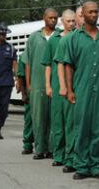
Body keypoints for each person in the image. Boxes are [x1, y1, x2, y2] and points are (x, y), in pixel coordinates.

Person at [64, 1, 99, 180]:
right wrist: (70, 90)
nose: (94, 15)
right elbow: (68, 65)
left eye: (96, 12)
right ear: (83, 15)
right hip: (82, 88)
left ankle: (96, 166)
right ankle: (82, 166)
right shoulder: (74, 37)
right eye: (90, 12)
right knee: (82, 127)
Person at [23, 8, 58, 159]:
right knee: (38, 118)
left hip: (55, 83)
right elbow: (27, 63)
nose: (53, 20)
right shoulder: (34, 37)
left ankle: (51, 148)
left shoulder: (60, 36)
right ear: (44, 18)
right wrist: (29, 84)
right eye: (50, 18)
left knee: (53, 118)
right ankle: (39, 148)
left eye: (55, 18)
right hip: (37, 84)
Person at [41, 9, 75, 167]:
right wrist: (48, 85)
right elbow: (48, 65)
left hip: (72, 85)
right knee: (58, 122)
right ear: (62, 21)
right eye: (68, 21)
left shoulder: (77, 38)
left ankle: (70, 155)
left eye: (73, 21)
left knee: (71, 122)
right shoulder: (54, 39)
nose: (71, 24)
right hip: (56, 85)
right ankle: (58, 154)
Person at [0, 22, 17, 139]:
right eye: (1, 33)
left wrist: (17, 78)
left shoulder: (10, 48)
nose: (3, 35)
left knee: (3, 108)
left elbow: (15, 65)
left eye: (4, 34)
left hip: (6, 82)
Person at [16, 52, 34, 154]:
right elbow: (21, 76)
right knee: (29, 119)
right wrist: (24, 94)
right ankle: (27, 144)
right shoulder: (25, 55)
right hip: (30, 92)